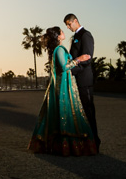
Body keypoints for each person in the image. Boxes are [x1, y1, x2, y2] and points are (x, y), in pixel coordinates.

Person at [28, 26, 98, 156]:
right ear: (58, 36)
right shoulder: (59, 49)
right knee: (67, 112)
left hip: (63, 83)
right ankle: (67, 146)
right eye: (61, 31)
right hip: (63, 86)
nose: (63, 32)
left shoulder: (58, 49)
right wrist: (78, 60)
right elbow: (64, 66)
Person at [65, 13, 99, 151]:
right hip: (76, 80)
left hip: (84, 80)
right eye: (66, 25)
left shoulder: (86, 35)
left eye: (69, 24)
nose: (68, 27)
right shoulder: (76, 37)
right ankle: (86, 142)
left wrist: (71, 71)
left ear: (76, 21)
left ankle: (95, 142)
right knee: (80, 112)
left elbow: (88, 58)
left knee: (88, 111)